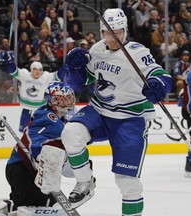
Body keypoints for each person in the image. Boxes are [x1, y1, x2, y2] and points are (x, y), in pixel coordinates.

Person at [61, 8, 172, 215]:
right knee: (71, 133)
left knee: (127, 182)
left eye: (117, 32)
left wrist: (158, 85)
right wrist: (75, 68)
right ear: (102, 32)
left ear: (125, 31)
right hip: (100, 111)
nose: (113, 37)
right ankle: (85, 183)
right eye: (108, 33)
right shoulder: (97, 50)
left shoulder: (138, 52)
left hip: (130, 118)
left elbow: (162, 75)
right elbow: (81, 82)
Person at [6, 81, 76, 209]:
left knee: (25, 207)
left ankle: (9, 207)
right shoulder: (48, 117)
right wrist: (40, 157)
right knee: (42, 208)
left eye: (68, 98)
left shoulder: (60, 120)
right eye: (60, 99)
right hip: (23, 168)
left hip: (24, 169)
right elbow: (31, 138)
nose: (66, 102)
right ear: (51, 101)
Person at [2, 52, 61, 132]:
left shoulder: (46, 77)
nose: (37, 71)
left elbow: (59, 75)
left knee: (40, 132)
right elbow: (13, 71)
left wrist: (67, 67)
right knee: (23, 132)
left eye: (40, 70)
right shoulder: (25, 75)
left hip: (40, 110)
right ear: (31, 69)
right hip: (26, 109)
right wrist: (9, 62)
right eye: (35, 69)